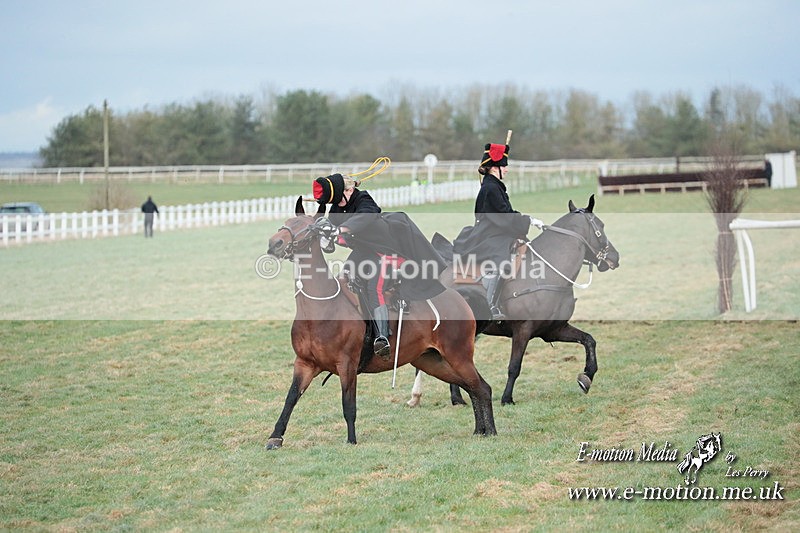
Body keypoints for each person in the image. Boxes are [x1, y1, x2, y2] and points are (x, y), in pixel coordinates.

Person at [312, 173, 446, 358]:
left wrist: (338, 231)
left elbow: (363, 219)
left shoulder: (364, 199)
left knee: (375, 287)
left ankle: (382, 337)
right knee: (343, 279)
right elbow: (338, 240)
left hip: (388, 253)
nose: (338, 206)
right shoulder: (336, 208)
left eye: (340, 201)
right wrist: (326, 237)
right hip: (363, 253)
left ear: (349, 190)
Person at [452, 140, 543, 320]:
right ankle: (490, 305)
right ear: (495, 168)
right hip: (487, 234)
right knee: (500, 260)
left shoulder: (494, 186)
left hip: (496, 229)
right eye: (504, 166)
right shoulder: (491, 188)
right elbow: (504, 215)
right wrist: (527, 220)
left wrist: (528, 220)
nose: (507, 169)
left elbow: (506, 213)